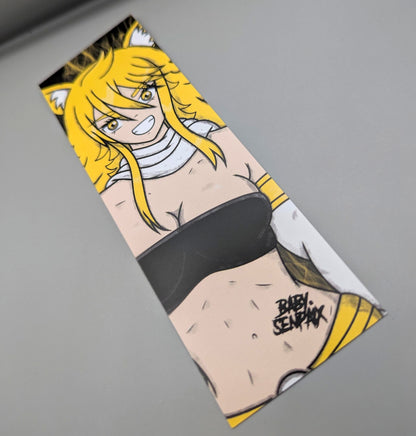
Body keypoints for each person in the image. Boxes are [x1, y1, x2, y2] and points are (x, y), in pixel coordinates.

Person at [41, 20, 384, 427]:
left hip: (326, 326)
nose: (138, 118)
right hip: (234, 392)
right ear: (98, 134)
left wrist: (347, 286)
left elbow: (296, 233)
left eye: (145, 94)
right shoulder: (117, 198)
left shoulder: (222, 147)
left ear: (163, 87)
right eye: (113, 121)